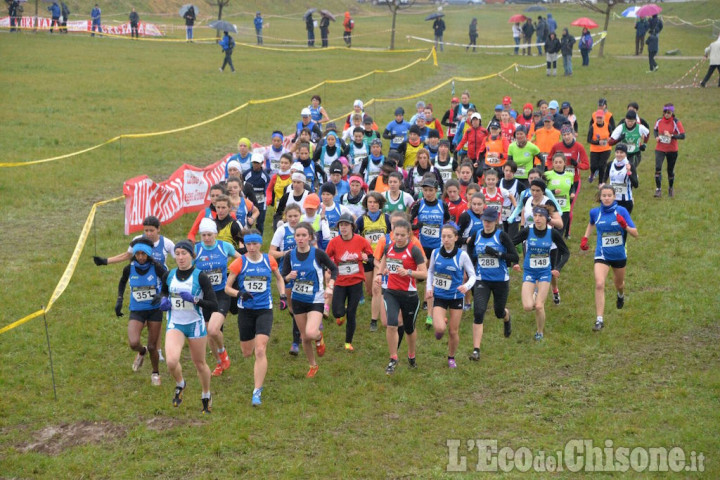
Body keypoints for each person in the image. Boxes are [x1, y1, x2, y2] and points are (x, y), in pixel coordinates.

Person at [226, 230, 286, 406]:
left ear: (260, 244)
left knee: (260, 350)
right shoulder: (239, 262)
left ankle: (257, 391)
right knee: (247, 352)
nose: (251, 248)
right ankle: (253, 362)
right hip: (245, 311)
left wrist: (282, 296)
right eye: (248, 244)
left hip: (264, 310)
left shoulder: (269, 260)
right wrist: (239, 293)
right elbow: (227, 288)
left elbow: (279, 279)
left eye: (255, 244)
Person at [158, 241, 218, 414]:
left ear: (192, 255)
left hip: (195, 325)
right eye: (177, 253)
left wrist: (195, 300)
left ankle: (206, 394)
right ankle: (180, 383)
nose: (180, 257)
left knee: (199, 363)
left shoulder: (200, 277)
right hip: (175, 323)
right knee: (171, 361)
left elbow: (213, 304)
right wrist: (163, 300)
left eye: (184, 253)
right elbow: (163, 291)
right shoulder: (169, 275)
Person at [281, 223, 338, 378]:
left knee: (311, 332)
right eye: (298, 235)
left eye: (304, 235)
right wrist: (288, 277)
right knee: (305, 337)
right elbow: (282, 278)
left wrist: (330, 285)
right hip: (298, 299)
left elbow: (334, 269)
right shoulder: (289, 255)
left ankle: (319, 338)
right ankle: (313, 365)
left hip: (316, 299)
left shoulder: (318, 254)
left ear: (310, 237)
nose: (300, 238)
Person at [580, 185, 638, 332]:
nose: (606, 198)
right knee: (599, 283)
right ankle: (599, 320)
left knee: (619, 284)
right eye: (604, 195)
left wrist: (625, 226)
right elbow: (591, 223)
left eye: (609, 195)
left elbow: (635, 233)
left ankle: (620, 294)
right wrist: (585, 238)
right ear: (600, 197)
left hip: (619, 255)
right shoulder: (595, 213)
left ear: (614, 197)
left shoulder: (621, 211)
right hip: (602, 254)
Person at [375, 219, 427, 375]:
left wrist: (409, 272)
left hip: (409, 294)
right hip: (391, 292)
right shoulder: (388, 247)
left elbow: (424, 273)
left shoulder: (414, 250)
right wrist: (379, 274)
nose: (398, 238)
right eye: (396, 234)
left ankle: (411, 355)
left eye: (402, 235)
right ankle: (393, 358)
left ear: (408, 235)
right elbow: (383, 264)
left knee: (409, 329)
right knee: (391, 324)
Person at [114, 238, 167, 385]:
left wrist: (162, 295)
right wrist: (119, 300)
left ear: (149, 254)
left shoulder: (156, 267)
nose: (141, 257)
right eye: (138, 254)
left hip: (154, 310)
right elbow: (123, 281)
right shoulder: (129, 268)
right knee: (133, 342)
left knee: (152, 346)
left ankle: (155, 373)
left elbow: (167, 279)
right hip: (137, 309)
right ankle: (141, 351)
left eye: (144, 254)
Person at [512, 207, 569, 341]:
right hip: (529, 271)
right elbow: (511, 243)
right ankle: (535, 292)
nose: (537, 218)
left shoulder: (553, 233)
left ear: (546, 218)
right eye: (535, 215)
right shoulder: (527, 231)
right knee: (527, 307)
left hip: (544, 272)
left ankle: (539, 331)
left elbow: (566, 252)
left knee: (538, 305)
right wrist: (514, 261)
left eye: (540, 216)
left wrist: (558, 268)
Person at [467, 209, 517, 360]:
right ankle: (476, 350)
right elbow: (470, 255)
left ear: (496, 221)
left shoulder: (501, 236)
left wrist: (497, 254)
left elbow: (515, 256)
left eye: (490, 221)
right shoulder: (476, 236)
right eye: (485, 220)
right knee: (479, 312)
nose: (487, 224)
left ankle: (507, 317)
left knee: (498, 312)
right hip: (482, 279)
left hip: (501, 280)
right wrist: (472, 268)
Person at [194, 218, 241, 377]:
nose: (206, 238)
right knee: (209, 332)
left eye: (209, 234)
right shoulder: (196, 250)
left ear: (215, 233)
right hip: (205, 296)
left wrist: (236, 276)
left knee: (214, 330)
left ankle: (222, 353)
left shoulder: (224, 246)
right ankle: (219, 363)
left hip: (221, 294)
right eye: (203, 235)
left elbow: (241, 260)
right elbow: (185, 266)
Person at [426, 224, 475, 368]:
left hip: (455, 297)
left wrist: (466, 287)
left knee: (453, 331)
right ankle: (440, 326)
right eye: (443, 236)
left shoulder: (462, 255)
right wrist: (429, 288)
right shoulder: (435, 253)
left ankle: (451, 357)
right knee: (440, 329)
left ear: (455, 238)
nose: (445, 239)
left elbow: (473, 276)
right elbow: (430, 272)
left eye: (449, 236)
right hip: (440, 296)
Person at [326, 214, 373, 352]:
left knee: (352, 313)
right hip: (340, 282)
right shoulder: (334, 242)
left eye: (346, 225)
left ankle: (348, 342)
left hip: (356, 281)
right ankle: (341, 314)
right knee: (337, 312)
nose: (343, 228)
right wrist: (328, 268)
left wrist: (366, 258)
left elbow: (371, 258)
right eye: (341, 225)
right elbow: (325, 257)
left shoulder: (361, 241)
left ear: (352, 226)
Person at [93, 215, 175, 269]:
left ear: (158, 229)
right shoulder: (137, 240)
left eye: (151, 230)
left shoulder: (167, 243)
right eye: (146, 230)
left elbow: (179, 258)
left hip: (160, 280)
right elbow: (127, 255)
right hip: (141, 279)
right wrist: (105, 261)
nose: (149, 234)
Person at [653, 103, 685, 198]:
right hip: (660, 148)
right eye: (665, 112)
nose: (666, 114)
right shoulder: (659, 120)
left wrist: (671, 136)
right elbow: (655, 130)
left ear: (672, 113)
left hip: (672, 150)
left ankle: (670, 188)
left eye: (669, 112)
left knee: (670, 170)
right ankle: (658, 190)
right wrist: (657, 137)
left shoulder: (676, 122)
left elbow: (683, 135)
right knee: (658, 168)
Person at [587, 110, 612, 185]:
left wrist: (610, 139)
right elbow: (588, 139)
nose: (599, 120)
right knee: (593, 166)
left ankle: (600, 182)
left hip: (606, 149)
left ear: (603, 118)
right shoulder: (592, 127)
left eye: (600, 118)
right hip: (595, 149)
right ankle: (592, 173)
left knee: (602, 166)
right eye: (597, 118)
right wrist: (598, 142)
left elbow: (612, 136)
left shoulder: (608, 126)